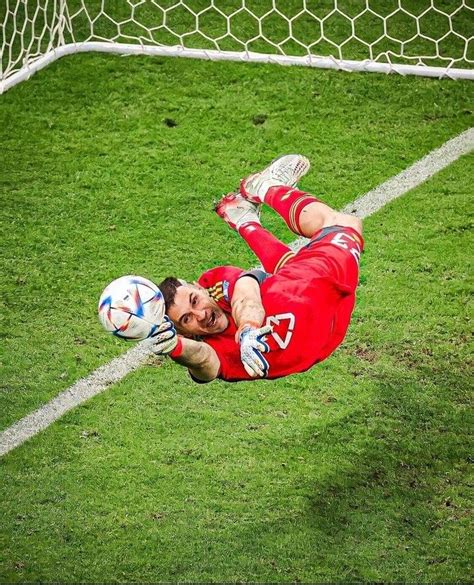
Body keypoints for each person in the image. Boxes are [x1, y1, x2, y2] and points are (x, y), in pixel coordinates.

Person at [152, 155, 364, 383]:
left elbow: (245, 294)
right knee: (290, 267)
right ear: (184, 332)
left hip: (318, 279)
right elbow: (203, 361)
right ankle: (243, 218)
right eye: (186, 319)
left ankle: (265, 186)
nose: (201, 314)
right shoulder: (214, 351)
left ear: (198, 288)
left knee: (344, 223)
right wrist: (177, 349)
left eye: (194, 301)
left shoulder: (214, 285)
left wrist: (247, 329)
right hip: (325, 319)